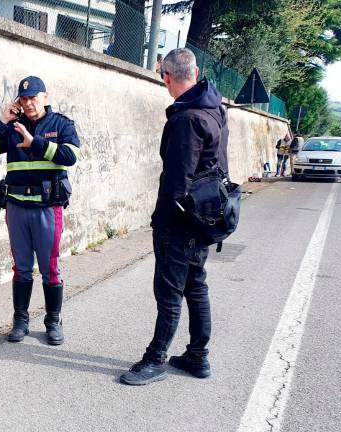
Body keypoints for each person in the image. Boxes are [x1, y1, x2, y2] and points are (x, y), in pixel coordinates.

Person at [120, 48, 228, 385]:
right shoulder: (215, 109)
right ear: (195, 73)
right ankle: (198, 356)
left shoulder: (186, 119)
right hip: (207, 216)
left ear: (166, 77)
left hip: (181, 223)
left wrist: (162, 222)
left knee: (169, 292)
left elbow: (177, 185)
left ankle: (156, 359)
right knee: (195, 286)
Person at [0, 76, 80, 345]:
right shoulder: (11, 129)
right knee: (21, 268)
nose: (29, 103)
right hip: (18, 208)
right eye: (24, 99)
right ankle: (20, 320)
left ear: (45, 96)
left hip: (47, 209)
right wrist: (2, 120)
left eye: (34, 97)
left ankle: (52, 321)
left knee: (50, 268)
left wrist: (35, 142)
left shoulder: (61, 125)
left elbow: (70, 156)